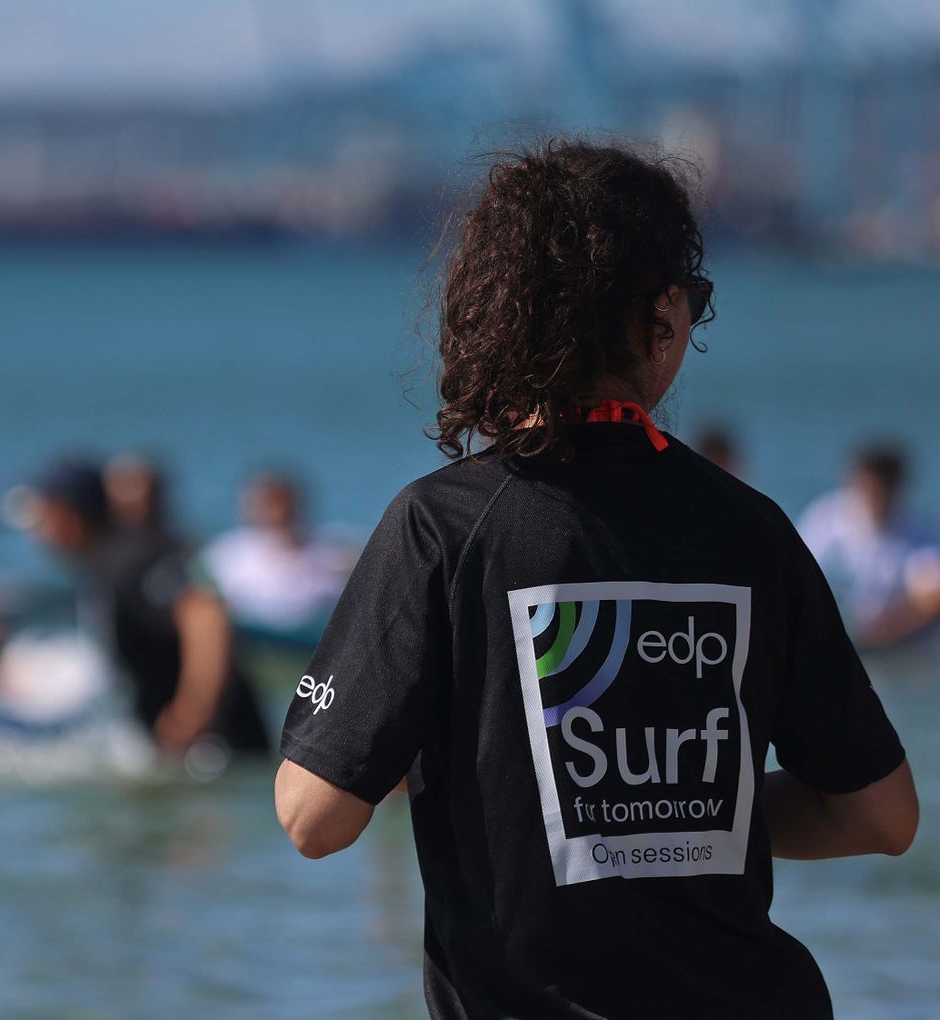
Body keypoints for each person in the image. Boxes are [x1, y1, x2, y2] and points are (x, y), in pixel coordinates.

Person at [274, 140, 917, 1018]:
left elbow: (314, 815)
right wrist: (680, 818)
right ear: (660, 311)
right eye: (696, 299)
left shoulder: (448, 525)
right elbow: (879, 818)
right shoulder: (755, 529)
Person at [24, 458, 268, 754]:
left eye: (40, 516)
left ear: (68, 514)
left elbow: (205, 612)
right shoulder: (106, 565)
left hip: (218, 749)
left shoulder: (134, 558)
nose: (35, 531)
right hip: (182, 754)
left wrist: (192, 712)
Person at [799, 443, 940, 648]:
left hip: (898, 640)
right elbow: (794, 574)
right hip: (832, 631)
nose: (873, 496)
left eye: (880, 489)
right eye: (866, 487)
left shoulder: (919, 529)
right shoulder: (825, 519)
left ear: (896, 489)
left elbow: (932, 594)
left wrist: (881, 633)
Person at [201, 470, 356, 637]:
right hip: (251, 636)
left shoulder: (332, 549)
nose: (279, 513)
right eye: (271, 505)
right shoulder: (225, 553)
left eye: (284, 504)